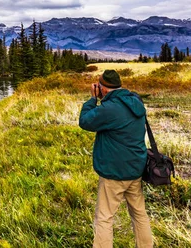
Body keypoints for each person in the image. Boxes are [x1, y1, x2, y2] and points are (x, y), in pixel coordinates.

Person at [79, 69, 153, 248]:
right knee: (139, 214)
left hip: (114, 172)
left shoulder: (110, 108)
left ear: (103, 89)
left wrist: (92, 99)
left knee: (104, 218)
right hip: (135, 169)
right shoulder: (135, 102)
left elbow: (85, 121)